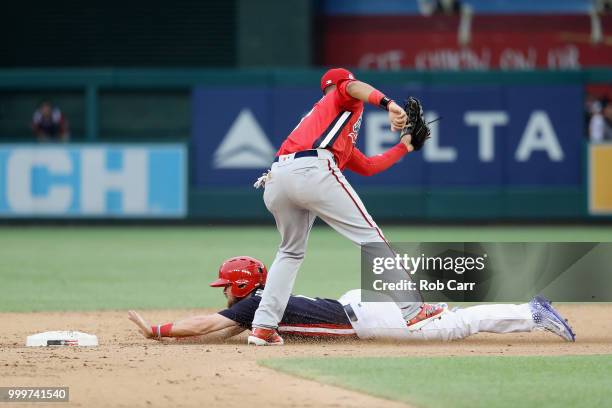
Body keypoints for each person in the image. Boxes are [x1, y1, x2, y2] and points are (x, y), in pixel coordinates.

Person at [249, 67, 442, 346]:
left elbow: (368, 166)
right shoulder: (344, 94)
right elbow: (353, 87)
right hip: (312, 169)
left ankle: (264, 326)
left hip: (277, 177)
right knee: (370, 238)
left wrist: (406, 146)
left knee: (289, 252)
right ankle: (413, 310)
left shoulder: (328, 125)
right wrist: (388, 104)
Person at [127, 256, 576, 343]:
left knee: (451, 326)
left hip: (365, 316)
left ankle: (529, 311)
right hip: (354, 304)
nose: (223, 292)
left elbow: (210, 323)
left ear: (241, 286)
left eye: (225, 284)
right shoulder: (256, 305)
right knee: (438, 318)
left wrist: (158, 330)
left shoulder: (251, 306)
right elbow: (224, 326)